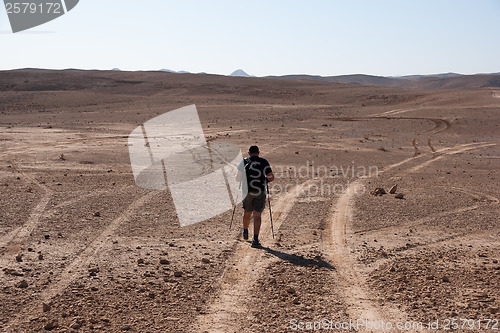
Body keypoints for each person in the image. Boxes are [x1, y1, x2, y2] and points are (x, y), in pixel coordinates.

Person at [236, 145, 274, 248]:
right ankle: (255, 239)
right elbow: (271, 178)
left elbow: (238, 179)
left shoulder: (244, 162)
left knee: (247, 213)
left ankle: (245, 232)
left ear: (249, 153)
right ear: (258, 152)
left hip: (247, 191)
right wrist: (264, 180)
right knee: (257, 215)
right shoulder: (264, 162)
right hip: (260, 191)